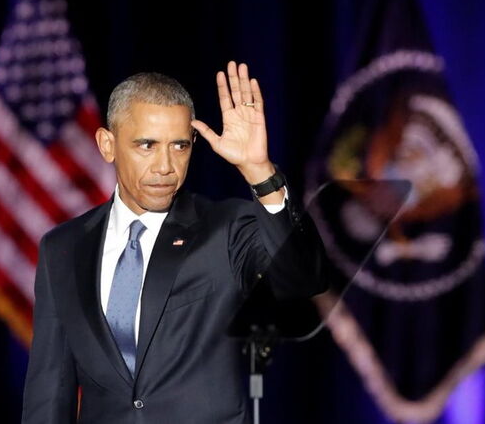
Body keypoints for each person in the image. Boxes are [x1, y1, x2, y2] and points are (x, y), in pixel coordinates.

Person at [21, 61, 329, 423]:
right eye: (147, 145)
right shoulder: (62, 247)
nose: (166, 166)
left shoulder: (226, 228)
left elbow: (303, 279)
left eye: (179, 146)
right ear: (108, 144)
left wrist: (259, 171)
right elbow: (49, 387)